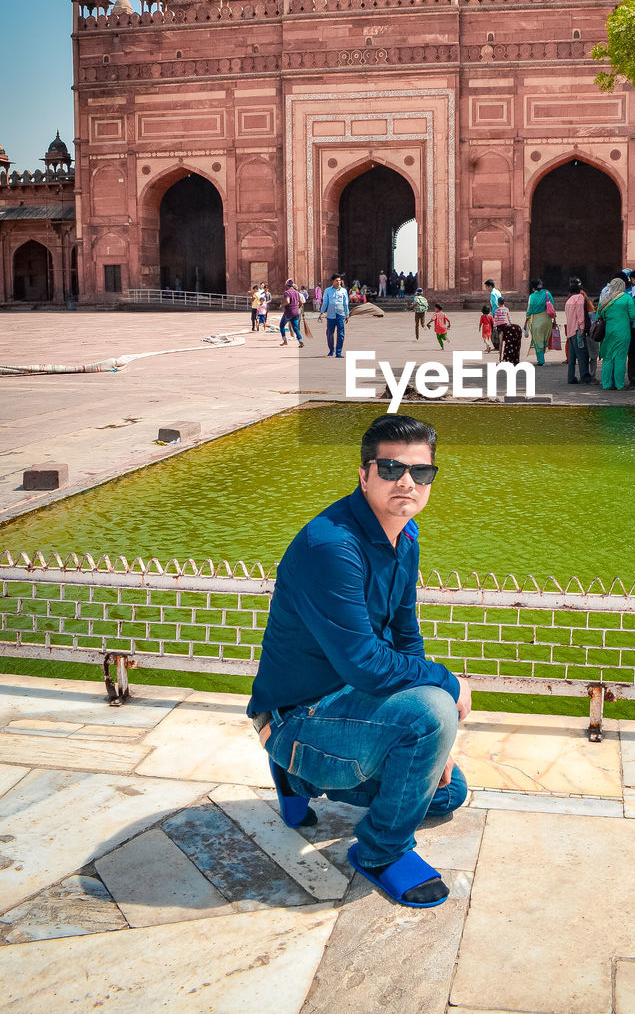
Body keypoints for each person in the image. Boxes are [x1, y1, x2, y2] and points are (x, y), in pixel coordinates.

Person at [248, 414, 469, 909]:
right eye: (390, 469)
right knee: (431, 710)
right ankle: (380, 852)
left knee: (448, 793)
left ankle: (298, 779)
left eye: (421, 472)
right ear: (364, 475)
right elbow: (367, 666)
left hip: (348, 703)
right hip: (299, 713)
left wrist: (438, 748)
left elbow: (405, 635)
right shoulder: (331, 546)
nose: (407, 482)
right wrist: (447, 687)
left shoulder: (404, 534)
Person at [597, 277, 635, 390]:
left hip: (608, 332)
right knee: (620, 358)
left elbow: (598, 316)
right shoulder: (627, 298)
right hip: (623, 332)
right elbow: (633, 315)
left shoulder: (605, 299)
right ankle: (619, 385)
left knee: (608, 358)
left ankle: (606, 384)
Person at [564, 278, 591, 384]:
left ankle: (571, 377)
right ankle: (585, 377)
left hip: (570, 332)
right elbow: (580, 315)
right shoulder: (579, 298)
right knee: (582, 355)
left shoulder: (569, 300)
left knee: (572, 357)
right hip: (577, 331)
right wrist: (582, 329)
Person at [525, 279, 555, 366]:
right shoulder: (547, 293)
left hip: (537, 321)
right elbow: (552, 306)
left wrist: (526, 320)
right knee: (544, 339)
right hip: (547, 320)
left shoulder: (532, 296)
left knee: (538, 340)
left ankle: (541, 360)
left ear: (533, 288)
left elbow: (529, 310)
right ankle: (541, 357)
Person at [320, 273, 350, 357]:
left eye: (339, 280)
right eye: (337, 280)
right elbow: (325, 302)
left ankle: (339, 352)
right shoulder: (328, 291)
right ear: (333, 281)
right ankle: (331, 349)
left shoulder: (343, 291)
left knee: (341, 334)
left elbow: (345, 303)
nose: (338, 282)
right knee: (329, 333)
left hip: (340, 315)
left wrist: (347, 314)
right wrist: (321, 312)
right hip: (331, 315)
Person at [280, 278, 304, 347]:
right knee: (296, 328)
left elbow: (287, 301)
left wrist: (282, 305)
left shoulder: (287, 292)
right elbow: (301, 302)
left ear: (286, 285)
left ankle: (285, 340)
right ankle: (301, 342)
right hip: (296, 313)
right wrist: (297, 307)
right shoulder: (297, 293)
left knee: (281, 326)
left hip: (288, 312)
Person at [484, 279, 502, 350]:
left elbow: (496, 304)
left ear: (490, 286)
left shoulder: (492, 294)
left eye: (486, 286)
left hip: (495, 313)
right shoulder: (497, 291)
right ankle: (499, 345)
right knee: (498, 330)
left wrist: (493, 314)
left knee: (492, 330)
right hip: (500, 312)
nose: (486, 288)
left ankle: (496, 345)